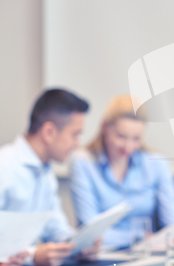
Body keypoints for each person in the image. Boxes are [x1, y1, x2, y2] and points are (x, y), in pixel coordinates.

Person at [69, 95, 174, 249]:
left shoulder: (157, 164)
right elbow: (90, 232)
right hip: (102, 255)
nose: (128, 147)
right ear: (104, 127)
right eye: (121, 137)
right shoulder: (83, 163)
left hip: (147, 254)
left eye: (136, 139)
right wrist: (139, 237)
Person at [0, 88, 100, 266]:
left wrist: (78, 245)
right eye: (75, 134)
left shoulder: (45, 172)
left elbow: (55, 228)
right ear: (49, 132)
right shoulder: (5, 167)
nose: (77, 144)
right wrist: (33, 256)